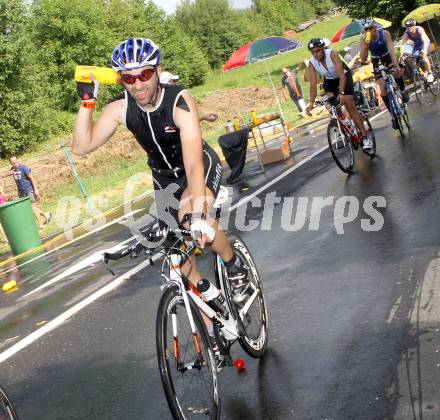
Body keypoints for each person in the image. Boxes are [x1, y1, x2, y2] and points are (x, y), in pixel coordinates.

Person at [73, 37, 250, 338]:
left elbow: (194, 163)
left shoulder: (178, 99)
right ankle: (214, 330)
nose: (138, 84)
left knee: (194, 218)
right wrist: (87, 102)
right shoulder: (120, 109)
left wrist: (197, 211)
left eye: (144, 74)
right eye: (128, 78)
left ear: (157, 70)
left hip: (197, 165)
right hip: (164, 180)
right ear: (121, 80)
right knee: (179, 261)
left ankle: (234, 265)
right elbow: (81, 146)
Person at [305, 38, 373, 151]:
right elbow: (312, 85)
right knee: (333, 106)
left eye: (317, 51)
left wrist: (341, 92)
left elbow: (342, 76)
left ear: (323, 49)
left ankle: (365, 136)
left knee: (348, 103)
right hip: (330, 81)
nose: (315, 54)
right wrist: (311, 103)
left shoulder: (332, 54)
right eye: (313, 52)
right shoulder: (312, 62)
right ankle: (347, 124)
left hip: (343, 76)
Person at [359, 17, 410, 130]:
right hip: (376, 59)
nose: (369, 31)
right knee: (382, 88)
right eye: (366, 29)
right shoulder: (363, 39)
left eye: (370, 28)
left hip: (387, 56)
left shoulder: (384, 33)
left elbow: (391, 49)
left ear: (375, 27)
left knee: (396, 72)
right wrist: (366, 46)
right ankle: (393, 116)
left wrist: (395, 64)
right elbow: (362, 59)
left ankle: (402, 90)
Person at [9, 156, 52, 229]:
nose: (15, 164)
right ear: (11, 163)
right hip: (22, 192)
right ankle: (46, 215)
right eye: (13, 163)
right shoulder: (13, 170)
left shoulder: (23, 167)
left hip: (29, 190)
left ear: (17, 160)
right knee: (30, 208)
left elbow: (31, 177)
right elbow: (17, 182)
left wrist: (36, 189)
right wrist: (19, 192)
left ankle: (40, 224)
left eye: (16, 162)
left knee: (33, 207)